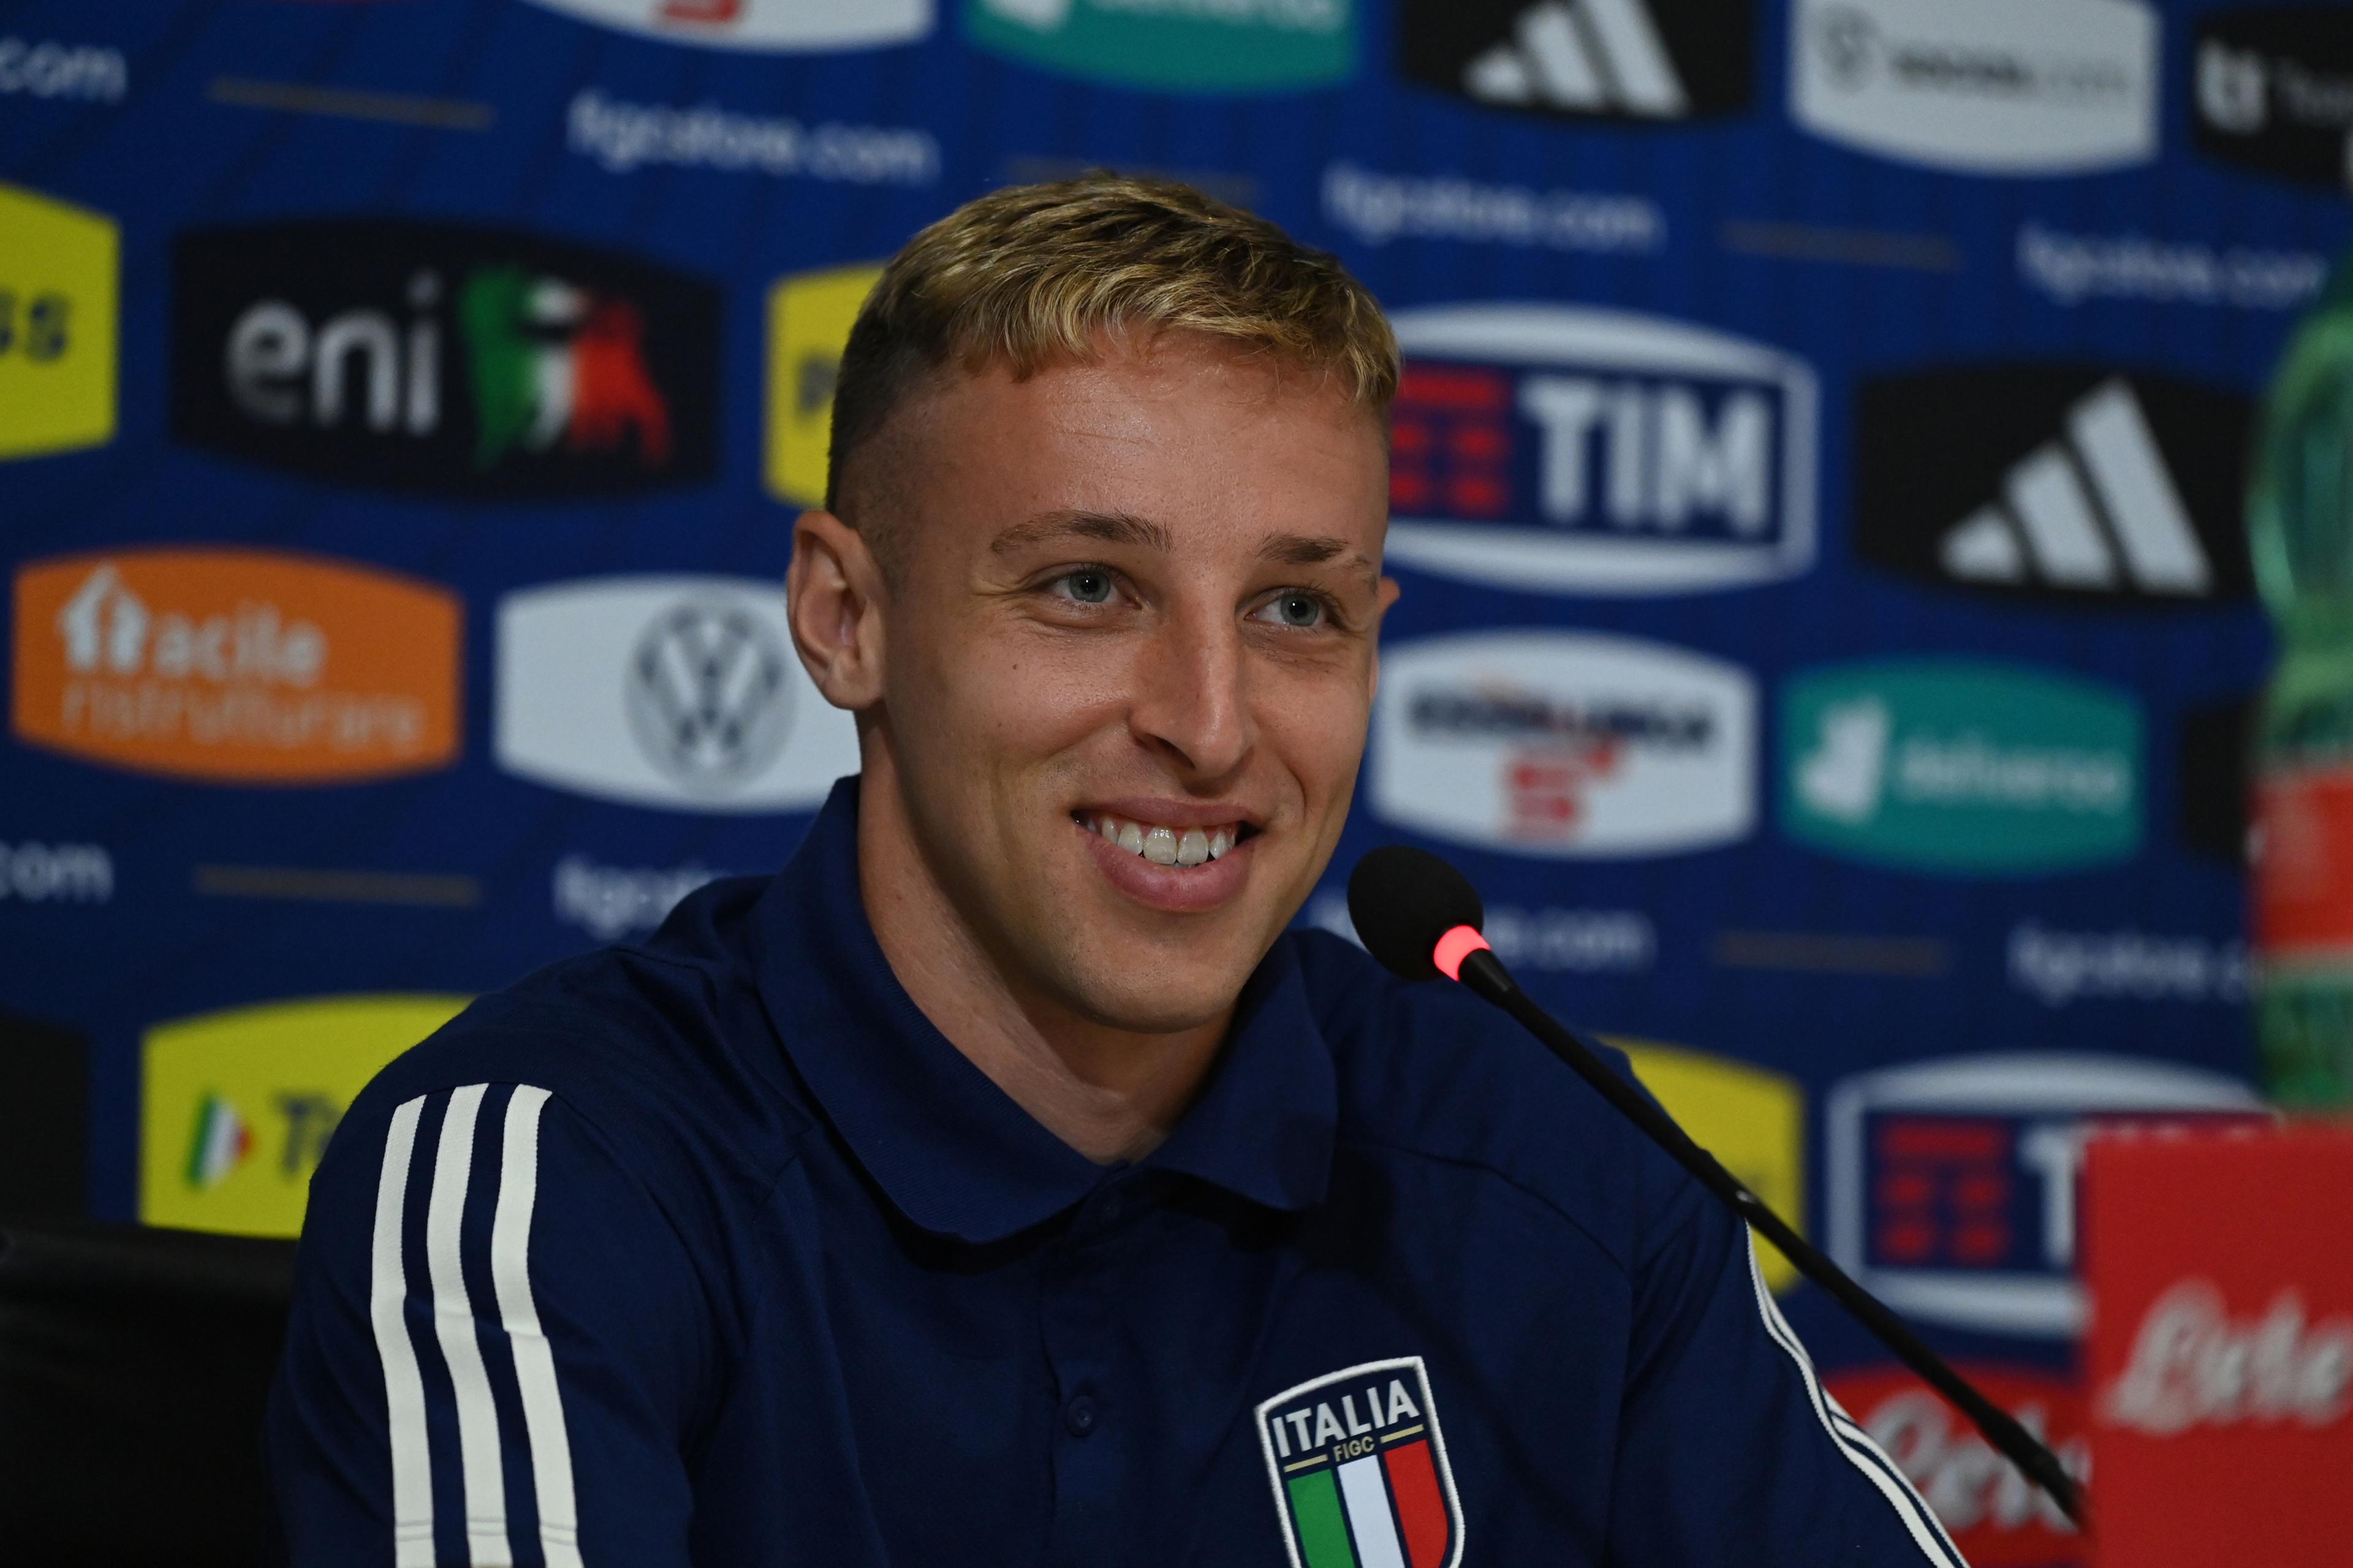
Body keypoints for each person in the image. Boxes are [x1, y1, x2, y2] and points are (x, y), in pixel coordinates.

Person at [266, 175, 1963, 1568]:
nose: (1212, 728)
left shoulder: (1563, 1170)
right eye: (1089, 587)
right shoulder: (552, 1166)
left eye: (1297, 611)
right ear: (845, 620)